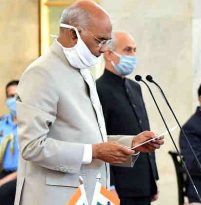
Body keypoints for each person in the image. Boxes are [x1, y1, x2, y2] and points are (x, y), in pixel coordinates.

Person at [14, 1, 163, 204]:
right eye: (100, 41)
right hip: (55, 197)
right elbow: (32, 146)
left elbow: (85, 136)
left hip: (88, 194)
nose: (103, 49)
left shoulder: (82, 72)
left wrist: (131, 143)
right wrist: (95, 151)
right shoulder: (41, 73)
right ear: (74, 34)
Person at [96, 31, 159, 205]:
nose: (132, 55)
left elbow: (142, 129)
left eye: (134, 50)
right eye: (128, 50)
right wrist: (110, 185)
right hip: (120, 185)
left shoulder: (135, 86)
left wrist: (152, 180)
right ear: (108, 54)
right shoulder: (98, 89)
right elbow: (100, 139)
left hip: (143, 182)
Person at [0, 80, 19, 205]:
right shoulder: (2, 123)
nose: (14, 100)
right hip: (3, 172)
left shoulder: (31, 125)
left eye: (17, 96)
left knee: (2, 193)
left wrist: (2, 182)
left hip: (22, 175)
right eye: (11, 96)